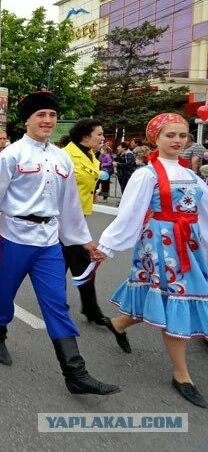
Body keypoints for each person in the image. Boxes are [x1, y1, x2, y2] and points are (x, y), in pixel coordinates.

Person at [0, 90, 120, 396]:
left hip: (49, 241)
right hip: (14, 236)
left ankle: (76, 373)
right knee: (5, 292)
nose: (48, 120)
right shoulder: (11, 156)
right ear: (27, 121)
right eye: (41, 115)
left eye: (52, 115)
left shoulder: (62, 158)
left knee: (56, 303)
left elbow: (70, 205)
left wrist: (84, 241)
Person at [98, 113, 208, 408]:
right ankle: (181, 375)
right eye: (170, 135)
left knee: (163, 297)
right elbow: (130, 214)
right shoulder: (146, 174)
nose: (177, 141)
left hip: (189, 244)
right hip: (160, 244)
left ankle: (118, 324)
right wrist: (106, 246)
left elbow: (204, 213)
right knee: (176, 300)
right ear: (155, 139)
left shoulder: (191, 174)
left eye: (182, 135)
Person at [61, 119, 108, 324]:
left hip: (80, 217)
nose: (102, 138)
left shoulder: (90, 155)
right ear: (85, 136)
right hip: (63, 219)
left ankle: (81, 306)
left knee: (65, 263)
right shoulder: (65, 156)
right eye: (99, 134)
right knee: (82, 263)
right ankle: (90, 309)